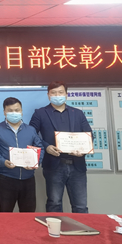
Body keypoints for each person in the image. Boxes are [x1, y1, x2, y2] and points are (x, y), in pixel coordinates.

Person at [29, 81, 92, 213]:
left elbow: (89, 135)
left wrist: (83, 150)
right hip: (53, 165)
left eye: (60, 92)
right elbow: (30, 135)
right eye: (53, 93)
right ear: (48, 95)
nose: (57, 95)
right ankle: (55, 227)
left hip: (77, 165)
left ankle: (80, 227)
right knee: (54, 203)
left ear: (66, 94)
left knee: (81, 205)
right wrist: (46, 147)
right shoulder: (40, 113)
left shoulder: (78, 113)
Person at [0, 97, 45, 212]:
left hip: (28, 178)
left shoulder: (30, 130)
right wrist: (2, 162)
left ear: (21, 111)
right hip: (6, 178)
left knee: (28, 214)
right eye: (10, 110)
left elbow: (40, 148)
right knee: (6, 213)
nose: (14, 113)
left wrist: (36, 162)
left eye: (17, 110)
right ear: (4, 112)